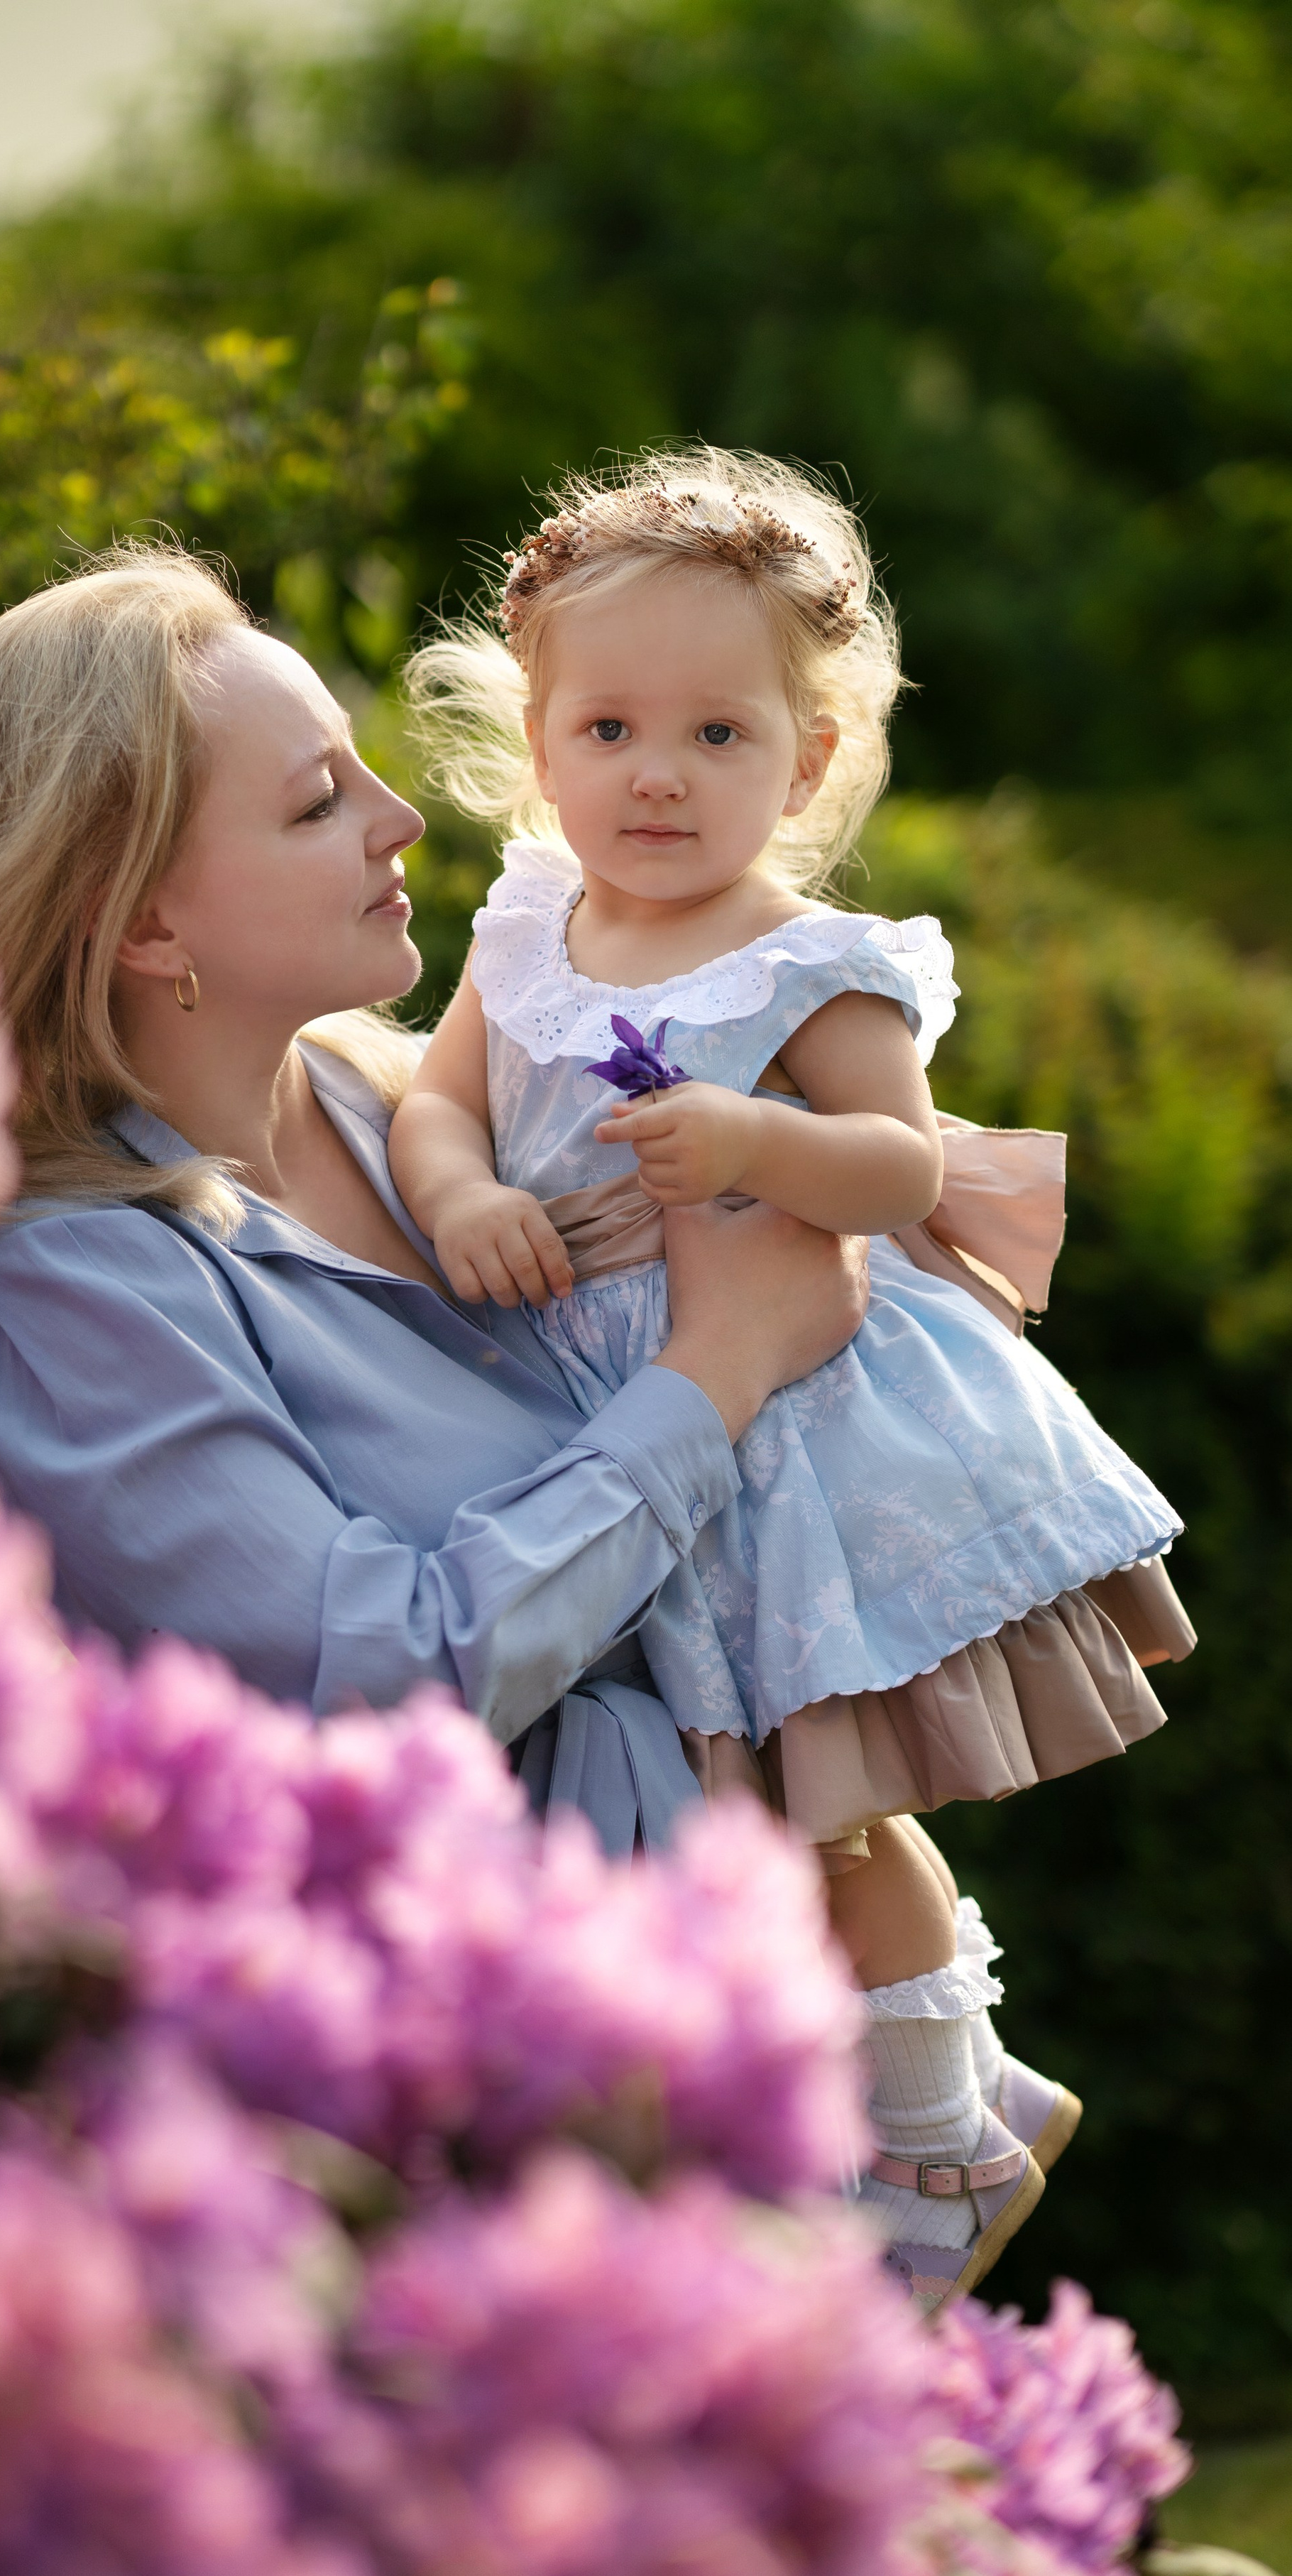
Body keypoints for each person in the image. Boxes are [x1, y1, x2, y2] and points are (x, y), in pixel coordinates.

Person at [0, 545, 1056, 2304]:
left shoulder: (400, 1110)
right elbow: (368, 1676)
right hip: (488, 2164)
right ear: (143, 920)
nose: (400, 819)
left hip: (729, 2046)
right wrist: (710, 1381)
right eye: (313, 803)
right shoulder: (71, 1295)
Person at [386, 448, 1197, 2297]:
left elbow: (906, 1172)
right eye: (609, 727)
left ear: (807, 758)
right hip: (617, 1414)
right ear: (541, 736)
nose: (656, 773)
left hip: (789, 1437)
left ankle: (936, 2156)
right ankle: (965, 2088)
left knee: (833, 1811)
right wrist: (458, 1198)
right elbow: (443, 1105)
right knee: (740, 1827)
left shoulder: (809, 963)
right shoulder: (528, 928)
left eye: (717, 734)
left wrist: (759, 1142)